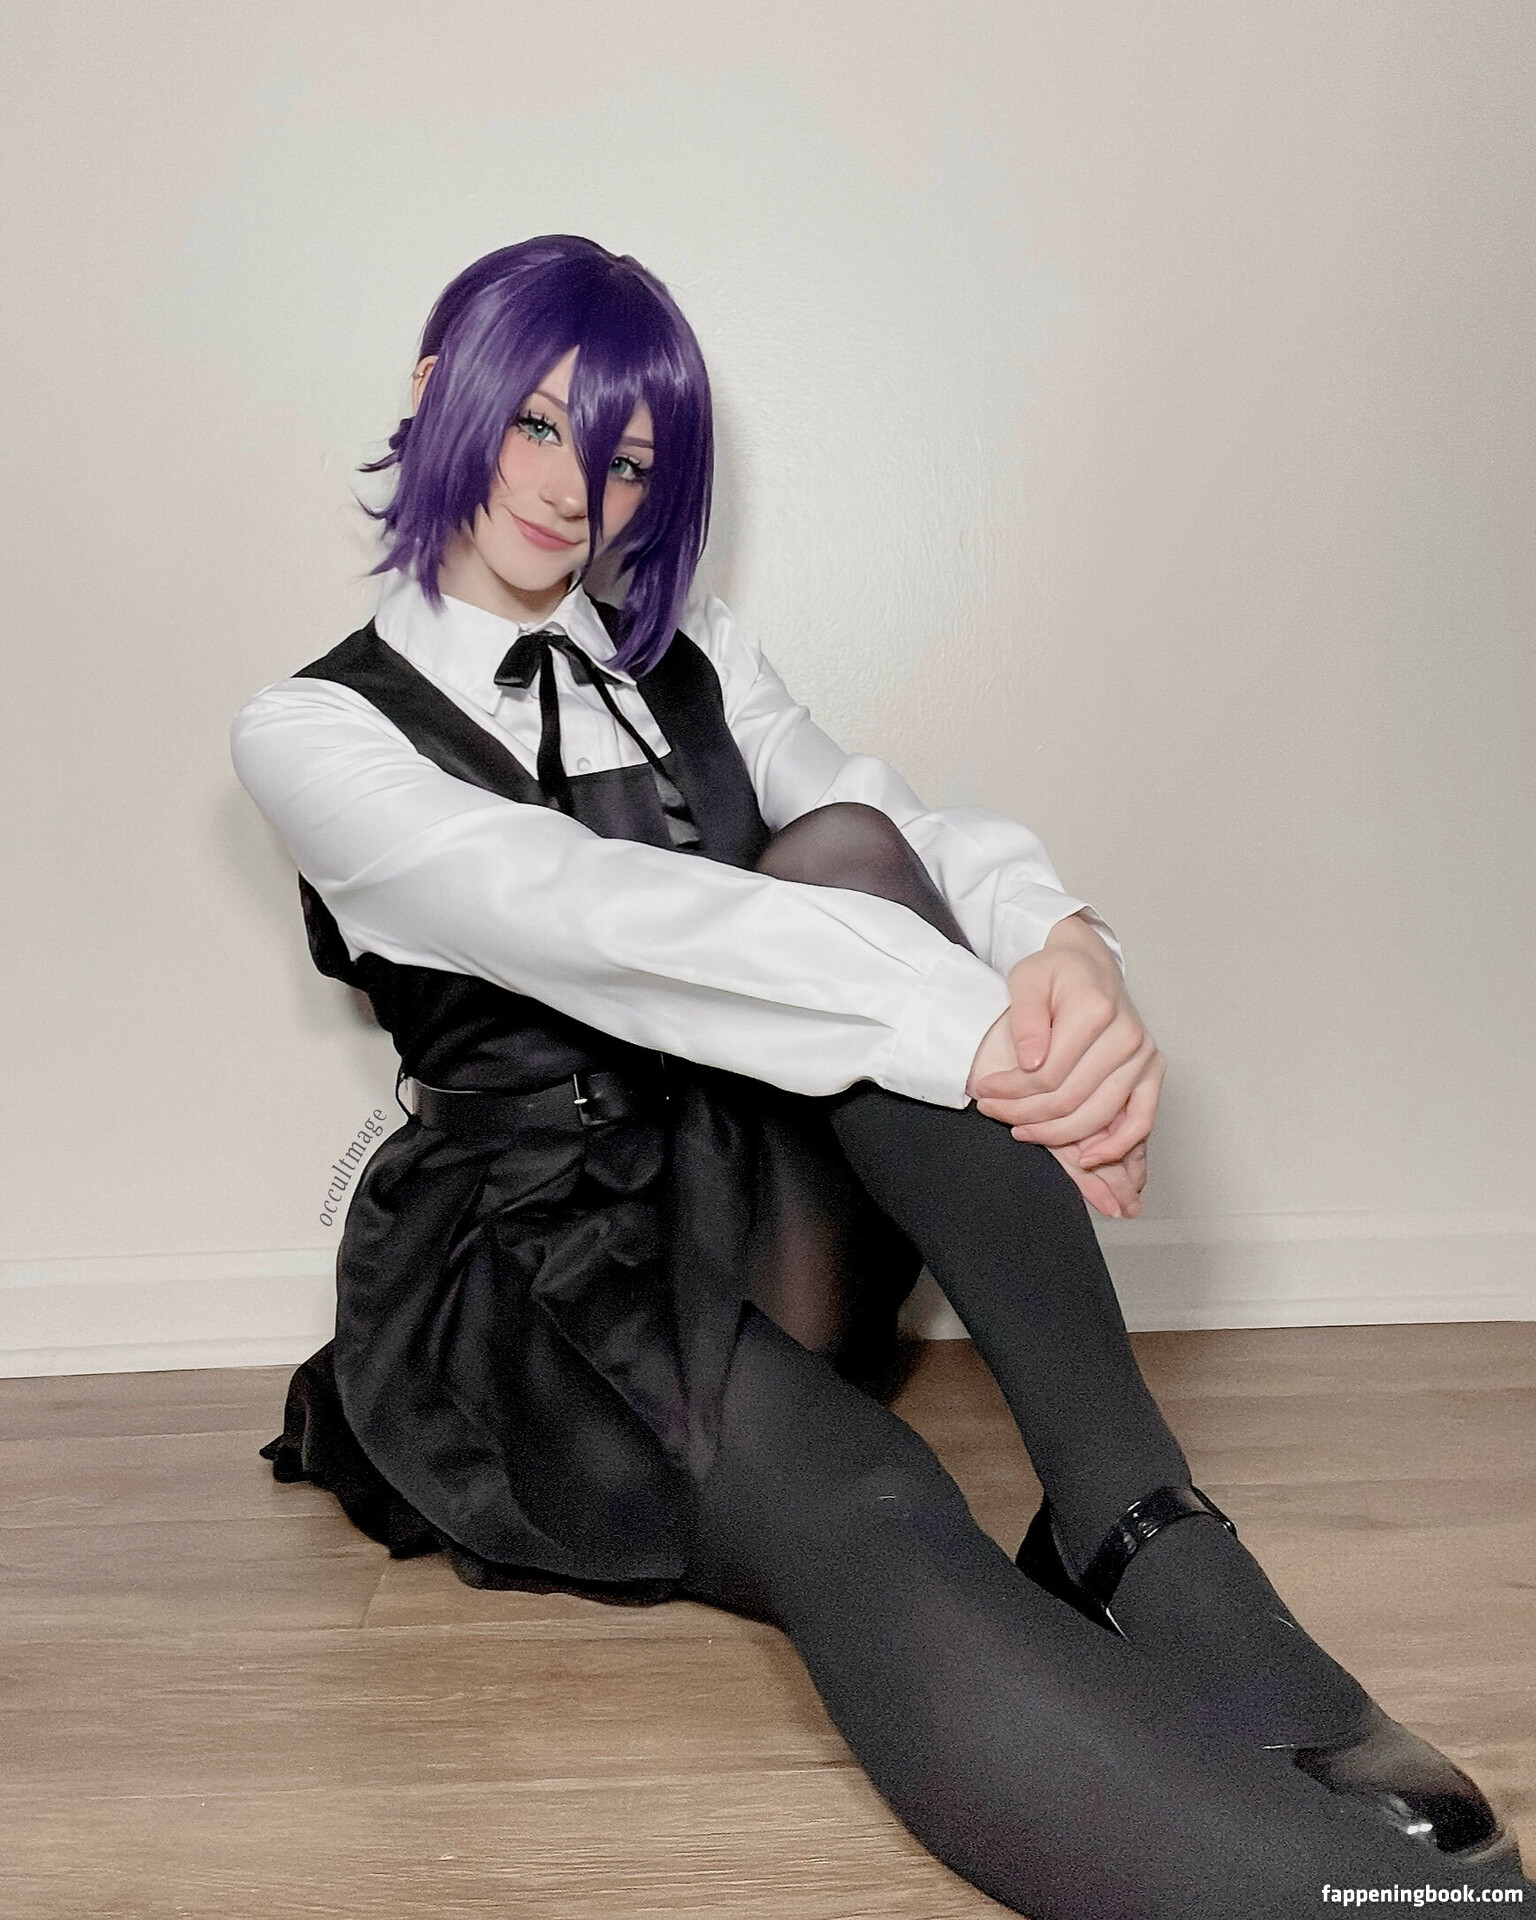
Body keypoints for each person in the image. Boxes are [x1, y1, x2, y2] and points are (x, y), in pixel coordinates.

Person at [231, 236, 1529, 1917]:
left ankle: (1136, 1526)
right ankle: (1381, 1909)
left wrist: (1062, 950)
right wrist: (968, 1028)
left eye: (624, 462)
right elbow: (600, 918)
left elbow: (887, 818)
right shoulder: (314, 731)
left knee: (846, 847)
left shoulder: (689, 651)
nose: (568, 493)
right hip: (552, 1282)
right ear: (435, 394)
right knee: (871, 1499)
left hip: (753, 1203)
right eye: (536, 425)